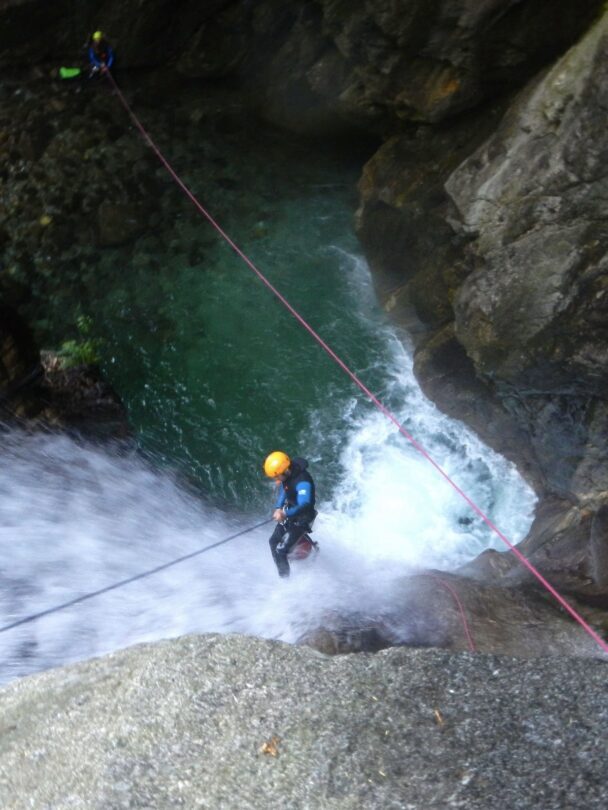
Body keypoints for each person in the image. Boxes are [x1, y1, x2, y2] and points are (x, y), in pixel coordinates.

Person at [264, 451, 317, 578]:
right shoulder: (288, 473)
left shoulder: (302, 481)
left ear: (285, 471)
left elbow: (304, 504)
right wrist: (278, 507)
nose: (276, 480)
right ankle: (284, 567)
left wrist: (284, 513)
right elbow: (285, 489)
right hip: (291, 514)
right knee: (273, 541)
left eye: (276, 476)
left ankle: (285, 581)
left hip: (303, 518)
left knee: (281, 550)